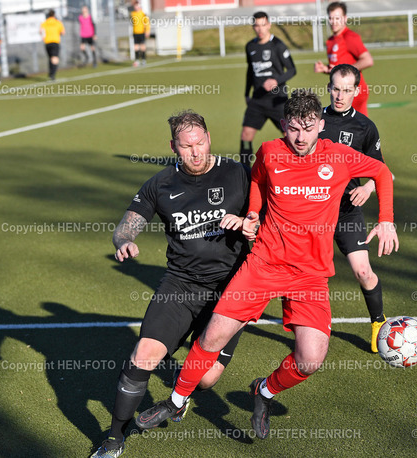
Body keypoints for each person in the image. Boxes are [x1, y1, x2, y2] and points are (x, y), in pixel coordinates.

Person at [135, 89, 398, 439]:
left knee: (310, 359)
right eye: (293, 128)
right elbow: (258, 179)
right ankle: (177, 399)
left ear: (321, 124)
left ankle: (264, 391)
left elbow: (381, 172)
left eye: (308, 128)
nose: (300, 137)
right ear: (284, 126)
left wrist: (387, 219)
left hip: (311, 274)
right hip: (264, 263)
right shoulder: (271, 151)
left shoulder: (340, 157)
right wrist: (255, 212)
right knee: (212, 336)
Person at [91, 110, 250, 457]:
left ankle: (181, 395)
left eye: (200, 143)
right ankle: (114, 439)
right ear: (173, 147)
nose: (196, 153)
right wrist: (124, 241)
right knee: (142, 357)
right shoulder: (160, 184)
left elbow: (268, 212)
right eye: (186, 146)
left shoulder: (238, 173)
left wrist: (251, 222)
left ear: (209, 137)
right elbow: (126, 225)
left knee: (206, 379)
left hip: (231, 292)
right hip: (181, 285)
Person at [318, 63, 390, 353]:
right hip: (316, 212)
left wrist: (368, 187)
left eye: (347, 90)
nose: (340, 95)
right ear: (328, 87)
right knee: (313, 275)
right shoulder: (315, 121)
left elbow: (380, 170)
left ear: (357, 91)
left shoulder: (364, 127)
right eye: (336, 88)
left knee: (363, 271)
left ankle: (377, 323)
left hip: (347, 210)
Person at [240, 11, 296, 167]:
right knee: (246, 135)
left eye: (263, 25)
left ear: (269, 25)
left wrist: (276, 81)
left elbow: (292, 70)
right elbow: (250, 71)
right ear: (253, 27)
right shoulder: (250, 46)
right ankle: (244, 170)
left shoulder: (277, 45)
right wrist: (246, 93)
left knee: (290, 134)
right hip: (257, 100)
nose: (260, 29)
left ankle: (297, 166)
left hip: (277, 100)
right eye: (257, 25)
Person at [315, 2, 374, 116]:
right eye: (331, 18)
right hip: (339, 92)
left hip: (353, 92)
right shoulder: (331, 40)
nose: (333, 22)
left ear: (345, 18)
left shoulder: (350, 37)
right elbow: (338, 68)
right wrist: (325, 69)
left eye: (337, 18)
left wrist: (346, 70)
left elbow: (367, 60)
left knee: (357, 130)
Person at [40, 9, 65, 81]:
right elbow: (63, 32)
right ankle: (52, 74)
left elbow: (40, 31)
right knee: (55, 59)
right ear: (54, 15)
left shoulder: (45, 23)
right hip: (55, 42)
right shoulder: (58, 22)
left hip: (47, 43)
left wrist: (44, 37)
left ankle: (51, 73)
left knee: (51, 58)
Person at [130, 1, 150, 66]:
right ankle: (137, 60)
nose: (136, 7)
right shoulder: (133, 14)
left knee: (142, 47)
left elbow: (147, 23)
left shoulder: (143, 14)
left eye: (137, 6)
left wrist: (147, 31)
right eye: (135, 6)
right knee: (136, 47)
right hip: (135, 32)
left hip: (142, 32)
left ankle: (143, 60)